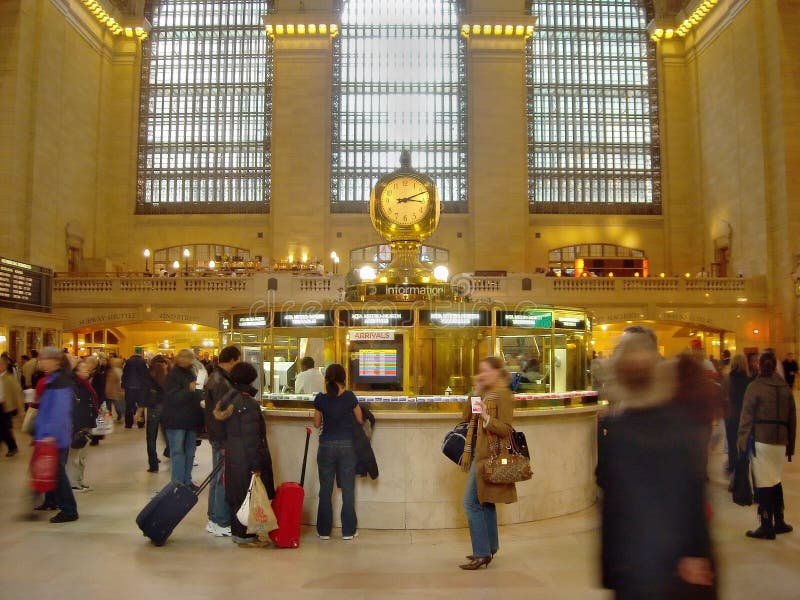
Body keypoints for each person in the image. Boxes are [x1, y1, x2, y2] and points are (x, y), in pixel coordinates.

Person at [597, 330, 715, 597]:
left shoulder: (618, 428)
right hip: (660, 561)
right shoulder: (676, 422)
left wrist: (609, 569)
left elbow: (610, 496)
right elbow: (693, 488)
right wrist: (696, 551)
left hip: (641, 563)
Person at [458, 356, 517, 570]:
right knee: (485, 501)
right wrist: (475, 393)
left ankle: (481, 553)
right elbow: (466, 418)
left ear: (496, 372)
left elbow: (506, 429)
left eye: (485, 371)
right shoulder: (485, 392)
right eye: (480, 370)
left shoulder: (503, 394)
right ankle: (490, 547)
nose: (482, 374)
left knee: (471, 503)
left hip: (489, 456)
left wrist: (486, 417)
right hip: (478, 453)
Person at [213, 361, 275, 547]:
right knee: (246, 497)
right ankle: (245, 537)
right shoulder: (247, 404)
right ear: (251, 379)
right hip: (246, 459)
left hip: (234, 455)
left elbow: (221, 430)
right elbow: (251, 438)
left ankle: (238, 533)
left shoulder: (228, 399)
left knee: (236, 495)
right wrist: (257, 465)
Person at [737, 351, 797, 539]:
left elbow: (746, 418)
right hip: (780, 441)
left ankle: (766, 524)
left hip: (762, 439)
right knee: (775, 479)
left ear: (760, 365)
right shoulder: (785, 388)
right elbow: (792, 419)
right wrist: (790, 446)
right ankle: (779, 520)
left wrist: (741, 442)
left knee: (763, 483)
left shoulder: (755, 387)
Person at [313, 363, 363, 541]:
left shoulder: (321, 399)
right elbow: (360, 418)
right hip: (347, 446)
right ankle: (348, 531)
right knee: (348, 489)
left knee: (325, 489)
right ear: (344, 378)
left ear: (326, 378)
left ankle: (324, 531)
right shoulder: (349, 397)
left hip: (326, 446)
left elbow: (317, 423)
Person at [33, 347, 79, 523]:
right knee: (52, 471)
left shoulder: (60, 381)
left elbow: (60, 411)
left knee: (57, 472)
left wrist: (50, 434)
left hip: (55, 437)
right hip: (47, 435)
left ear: (55, 361)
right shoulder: (53, 379)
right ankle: (51, 501)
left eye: (45, 359)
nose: (42, 362)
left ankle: (69, 510)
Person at [204, 345, 241, 537]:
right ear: (233, 360)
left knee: (216, 477)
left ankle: (213, 517)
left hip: (216, 435)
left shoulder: (215, 377)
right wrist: (225, 440)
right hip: (221, 436)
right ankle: (220, 520)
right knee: (221, 479)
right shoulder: (221, 383)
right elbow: (220, 414)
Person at [161, 349, 204, 487]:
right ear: (180, 359)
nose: (190, 362)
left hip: (190, 419)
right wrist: (189, 390)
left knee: (190, 452)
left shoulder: (191, 372)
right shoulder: (173, 375)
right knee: (178, 452)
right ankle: (178, 484)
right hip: (175, 420)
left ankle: (187, 480)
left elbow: (194, 393)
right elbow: (171, 398)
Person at [68, 359, 100, 492]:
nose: (87, 370)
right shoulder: (75, 386)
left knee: (83, 456)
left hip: (87, 423)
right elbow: (76, 408)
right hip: (79, 425)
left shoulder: (86, 384)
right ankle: (74, 482)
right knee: (75, 455)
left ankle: (80, 480)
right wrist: (80, 426)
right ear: (76, 371)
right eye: (83, 368)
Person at [723, 355, 753, 475]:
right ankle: (743, 465)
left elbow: (723, 396)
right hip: (745, 415)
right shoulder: (749, 381)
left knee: (731, 441)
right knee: (744, 441)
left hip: (731, 414)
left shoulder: (727, 379)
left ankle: (732, 464)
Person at [144, 355, 171, 473]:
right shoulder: (169, 375)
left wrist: (140, 411)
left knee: (151, 438)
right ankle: (170, 453)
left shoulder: (150, 375)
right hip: (166, 407)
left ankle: (153, 465)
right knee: (168, 434)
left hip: (153, 408)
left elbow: (144, 393)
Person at [0, 355, 23, 457]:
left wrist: (21, 410)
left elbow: (18, 395)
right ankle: (12, 447)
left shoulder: (9, 378)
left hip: (4, 407)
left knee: (4, 429)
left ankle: (12, 447)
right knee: (2, 429)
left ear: (5, 366)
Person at [122, 348, 149, 428]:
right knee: (140, 405)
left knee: (129, 405)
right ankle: (140, 423)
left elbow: (124, 374)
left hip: (129, 387)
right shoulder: (144, 362)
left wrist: (123, 385)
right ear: (141, 353)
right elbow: (146, 375)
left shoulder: (128, 361)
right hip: (141, 388)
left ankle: (128, 423)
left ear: (134, 352)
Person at [105, 357, 125, 423]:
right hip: (110, 391)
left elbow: (120, 381)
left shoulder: (117, 371)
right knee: (111, 406)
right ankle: (110, 417)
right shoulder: (113, 370)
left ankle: (119, 415)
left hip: (114, 391)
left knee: (117, 406)